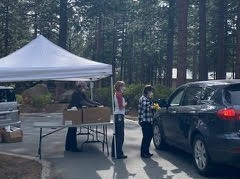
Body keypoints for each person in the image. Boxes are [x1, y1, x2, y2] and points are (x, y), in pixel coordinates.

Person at [65, 81, 100, 152]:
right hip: (72, 112)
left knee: (72, 129)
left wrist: (96, 103)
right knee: (72, 130)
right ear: (80, 86)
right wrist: (92, 106)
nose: (84, 89)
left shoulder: (81, 93)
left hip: (76, 112)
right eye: (84, 87)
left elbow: (87, 99)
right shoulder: (76, 94)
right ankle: (72, 147)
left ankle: (68, 147)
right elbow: (82, 102)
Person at [111, 81, 127, 159]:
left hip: (116, 115)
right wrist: (125, 104)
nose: (124, 87)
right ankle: (119, 153)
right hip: (119, 115)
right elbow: (121, 106)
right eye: (123, 86)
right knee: (120, 135)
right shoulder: (119, 94)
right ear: (120, 87)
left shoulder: (116, 93)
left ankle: (114, 152)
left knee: (116, 134)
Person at [138, 85, 154, 158]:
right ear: (147, 91)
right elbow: (147, 107)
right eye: (151, 91)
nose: (152, 93)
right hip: (144, 120)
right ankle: (143, 153)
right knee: (146, 136)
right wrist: (154, 107)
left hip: (148, 120)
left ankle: (146, 151)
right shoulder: (143, 98)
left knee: (150, 135)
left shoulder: (147, 98)